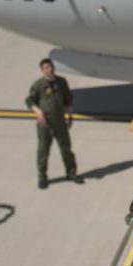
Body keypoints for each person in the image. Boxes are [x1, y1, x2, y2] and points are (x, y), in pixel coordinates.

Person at [25, 58, 83, 189]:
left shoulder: (61, 82)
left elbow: (68, 100)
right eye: (46, 68)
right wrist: (38, 113)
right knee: (43, 151)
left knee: (66, 148)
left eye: (51, 67)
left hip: (60, 122)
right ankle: (42, 176)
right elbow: (29, 101)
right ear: (42, 70)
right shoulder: (39, 85)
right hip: (45, 124)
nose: (49, 69)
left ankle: (71, 172)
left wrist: (69, 116)